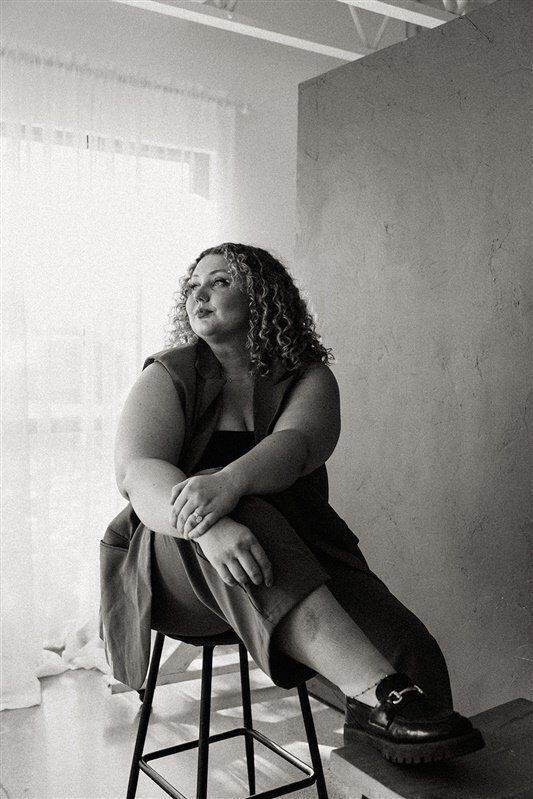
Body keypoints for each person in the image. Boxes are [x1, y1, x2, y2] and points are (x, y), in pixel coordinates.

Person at [100, 242, 484, 766]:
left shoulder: (308, 378)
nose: (200, 295)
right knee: (235, 508)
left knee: (412, 651)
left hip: (292, 548)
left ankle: (394, 770)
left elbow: (299, 445)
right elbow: (137, 473)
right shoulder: (168, 374)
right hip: (178, 562)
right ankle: (379, 697)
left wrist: (231, 481)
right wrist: (207, 525)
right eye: (193, 286)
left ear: (262, 294)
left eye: (220, 282)